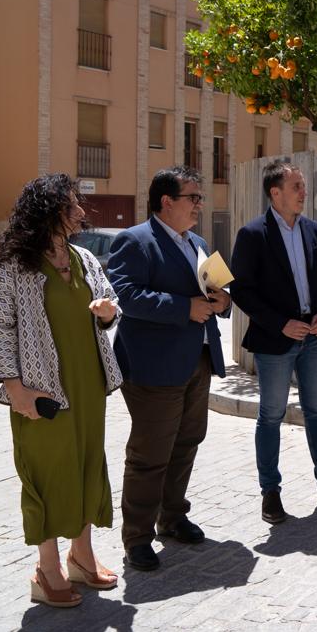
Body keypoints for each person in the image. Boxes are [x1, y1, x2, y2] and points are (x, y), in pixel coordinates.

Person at [0, 174, 123, 607]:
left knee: (84, 464)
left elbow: (109, 304)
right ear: (47, 213)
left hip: (87, 383)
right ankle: (46, 570)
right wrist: (15, 388)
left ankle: (81, 556)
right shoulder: (13, 266)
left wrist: (106, 312)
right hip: (39, 389)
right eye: (71, 206)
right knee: (46, 472)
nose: (81, 212)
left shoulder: (84, 259)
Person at [107, 166, 230, 572]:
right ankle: (137, 537)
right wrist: (184, 308)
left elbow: (220, 287)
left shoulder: (197, 242)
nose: (199, 204)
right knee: (150, 453)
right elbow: (125, 294)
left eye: (199, 198)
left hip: (198, 359)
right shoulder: (135, 240)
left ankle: (173, 517)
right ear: (166, 202)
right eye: (193, 197)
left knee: (187, 440)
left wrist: (223, 302)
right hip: (153, 367)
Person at [230, 158, 317, 523]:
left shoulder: (314, 230)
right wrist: (280, 324)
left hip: (314, 336)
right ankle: (270, 492)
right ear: (274, 192)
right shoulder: (252, 234)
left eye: (303, 185)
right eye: (296, 186)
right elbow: (241, 290)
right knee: (270, 414)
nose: (303, 192)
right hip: (275, 339)